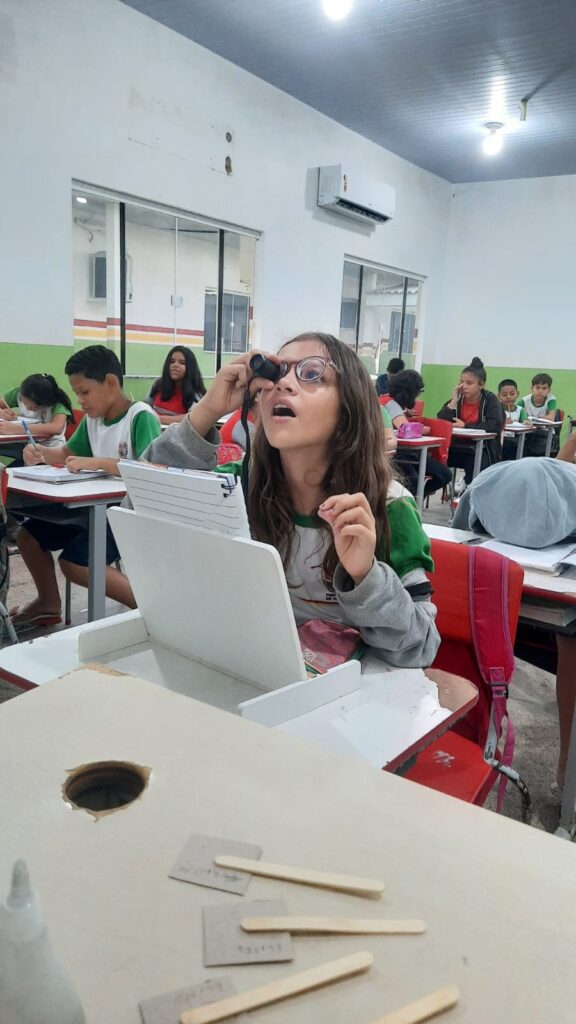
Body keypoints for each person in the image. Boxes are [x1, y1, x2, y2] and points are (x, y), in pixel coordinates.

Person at [143, 332, 440, 668]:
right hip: (259, 674)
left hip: (355, 697)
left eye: (312, 373)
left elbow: (420, 648)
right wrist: (207, 410)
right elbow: (139, 507)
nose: (283, 384)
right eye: (276, 371)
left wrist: (366, 576)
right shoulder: (236, 488)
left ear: (347, 409)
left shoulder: (386, 508)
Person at [12, 345, 161, 626]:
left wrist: (100, 462)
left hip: (127, 514)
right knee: (27, 537)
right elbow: (66, 453)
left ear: (111, 383)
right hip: (90, 510)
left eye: (84, 392)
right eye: (76, 393)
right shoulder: (93, 421)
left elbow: (152, 471)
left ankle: (151, 610)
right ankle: (47, 603)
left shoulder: (140, 416)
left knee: (76, 563)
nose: (79, 400)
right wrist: (40, 454)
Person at [452, 456, 576, 791]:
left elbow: (458, 532)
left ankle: (568, 767)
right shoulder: (492, 482)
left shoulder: (486, 483)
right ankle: (567, 771)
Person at [437, 356, 504, 487]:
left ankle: (468, 487)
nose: (463, 386)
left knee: (476, 465)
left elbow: (494, 425)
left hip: (482, 449)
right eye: (461, 382)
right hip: (456, 447)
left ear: (481, 384)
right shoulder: (458, 399)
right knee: (434, 459)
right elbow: (441, 422)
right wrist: (453, 401)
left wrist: (465, 426)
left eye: (469, 383)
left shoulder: (490, 400)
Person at [387, 370, 451, 499]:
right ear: (410, 392)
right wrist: (425, 429)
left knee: (443, 474)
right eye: (417, 394)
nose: (417, 399)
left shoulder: (394, 404)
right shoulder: (390, 404)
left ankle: (416, 498)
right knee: (414, 481)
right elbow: (406, 429)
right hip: (397, 456)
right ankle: (413, 498)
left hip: (404, 454)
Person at [0, 374, 74, 447]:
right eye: (24, 402)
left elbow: (57, 428)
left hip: (53, 448)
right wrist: (2, 413)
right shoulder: (20, 393)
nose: (28, 408)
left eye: (35, 407)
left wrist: (14, 429)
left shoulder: (57, 404)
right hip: (27, 447)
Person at [147, 345, 206, 424]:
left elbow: (192, 417)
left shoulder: (195, 392)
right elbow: (145, 406)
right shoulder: (159, 384)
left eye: (182, 363)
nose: (175, 365)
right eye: (172, 361)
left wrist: (157, 418)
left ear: (190, 368)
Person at [518, 372, 559, 457]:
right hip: (528, 432)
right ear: (531, 388)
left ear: (549, 390)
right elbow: (516, 414)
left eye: (544, 388)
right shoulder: (524, 401)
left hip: (546, 433)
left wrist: (530, 418)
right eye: (537, 387)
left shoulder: (551, 400)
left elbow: (551, 418)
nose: (540, 391)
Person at [498, 377, 529, 461]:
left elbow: (525, 421)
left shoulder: (520, 410)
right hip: (499, 440)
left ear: (517, 394)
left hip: (514, 441)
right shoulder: (496, 409)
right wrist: (503, 422)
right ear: (498, 396)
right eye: (504, 395)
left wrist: (526, 423)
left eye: (512, 394)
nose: (508, 397)